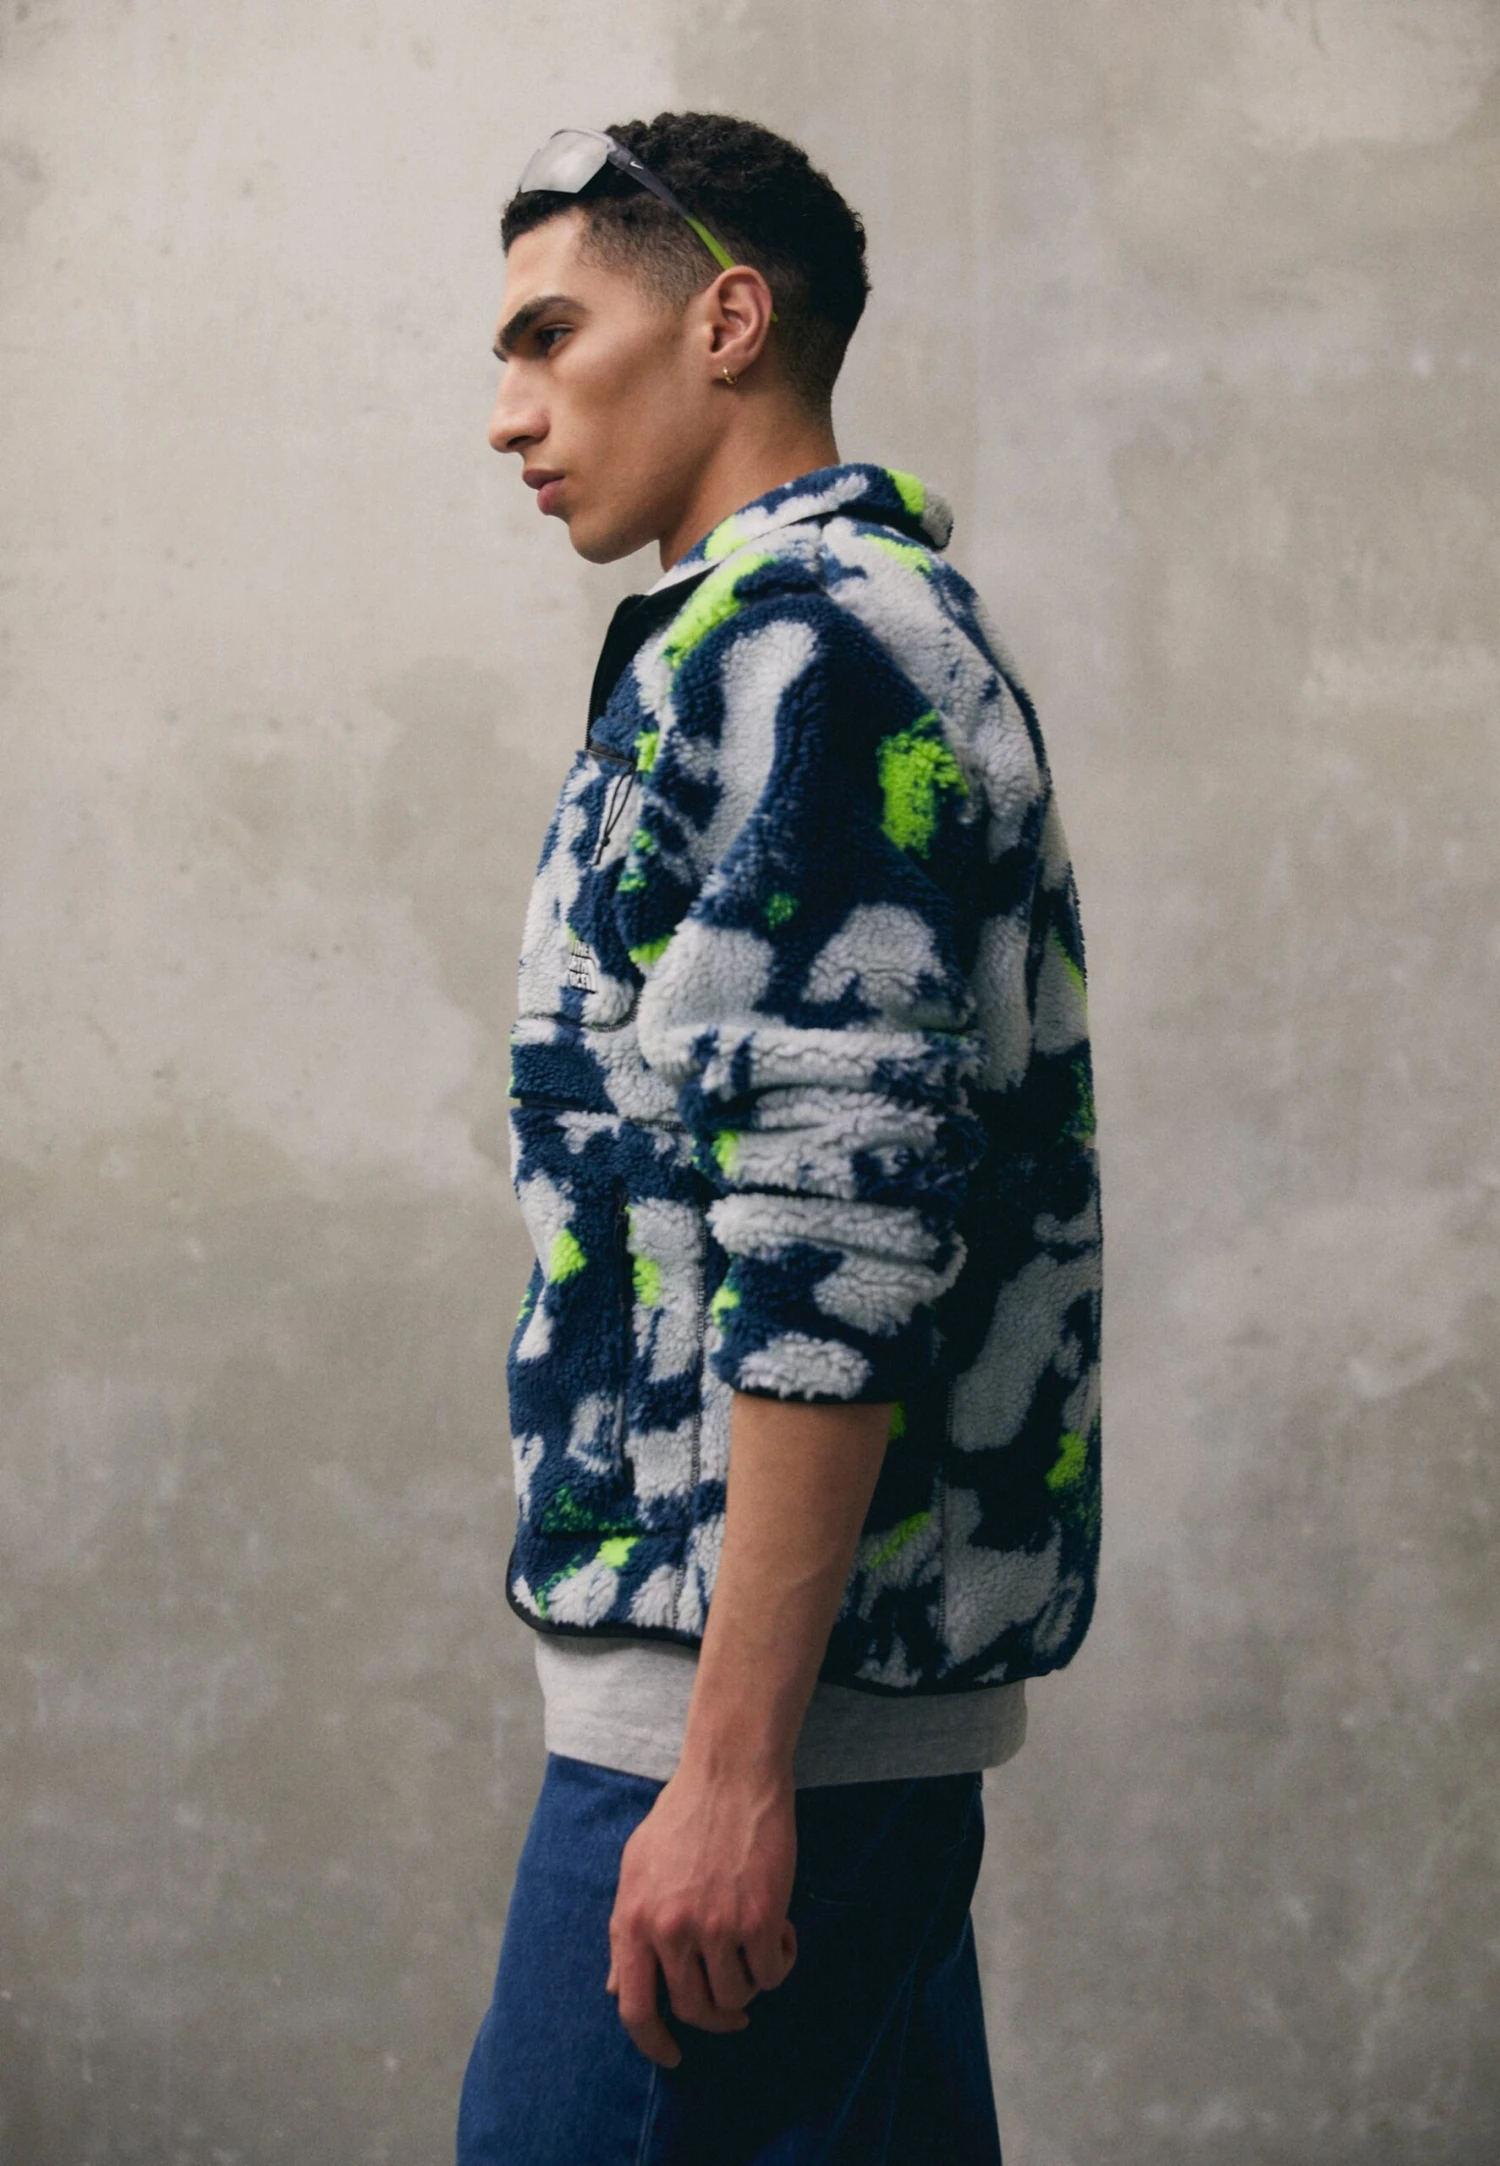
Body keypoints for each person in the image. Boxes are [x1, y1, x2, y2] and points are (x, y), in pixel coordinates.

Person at [457, 111, 1102, 2166]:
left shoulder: (813, 653)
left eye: (551, 336)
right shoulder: (771, 643)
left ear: (728, 320)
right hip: (815, 1715)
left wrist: (727, 1770)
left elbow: (837, 1234)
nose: (509, 411)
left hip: (756, 1730)